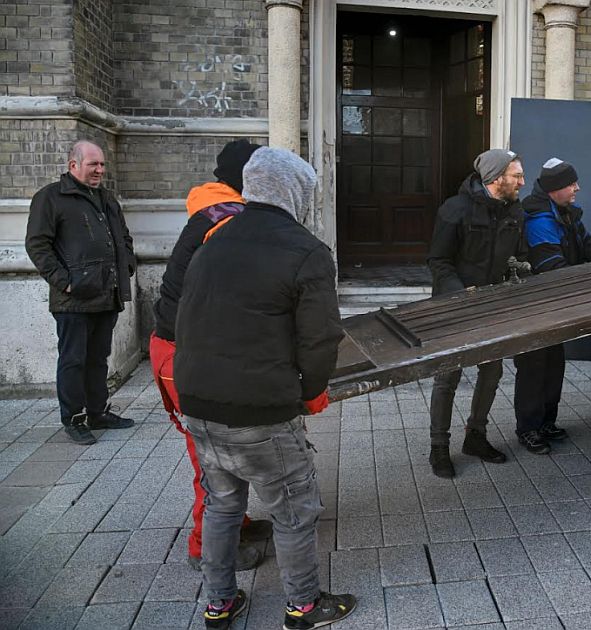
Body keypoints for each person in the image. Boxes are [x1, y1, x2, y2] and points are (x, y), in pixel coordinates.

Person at [174, 147, 356, 629]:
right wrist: (310, 392)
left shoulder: (213, 239)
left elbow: (184, 319)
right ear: (296, 192)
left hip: (197, 402)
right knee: (294, 510)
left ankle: (219, 603)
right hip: (261, 410)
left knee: (221, 504)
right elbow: (319, 338)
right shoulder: (307, 251)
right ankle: (302, 605)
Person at [149, 139, 271, 572]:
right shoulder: (229, 222)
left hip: (178, 351)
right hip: (186, 356)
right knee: (213, 458)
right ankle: (209, 547)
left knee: (218, 453)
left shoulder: (214, 207)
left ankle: (234, 523)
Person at [25, 140, 136, 445]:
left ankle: (97, 412)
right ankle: (74, 418)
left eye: (101, 165)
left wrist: (127, 264)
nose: (99, 170)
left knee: (98, 358)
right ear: (73, 165)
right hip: (73, 299)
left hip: (107, 292)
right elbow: (37, 245)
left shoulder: (106, 197)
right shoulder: (51, 197)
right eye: (93, 165)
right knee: (73, 359)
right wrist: (66, 282)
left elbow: (123, 237)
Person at [425, 149, 527, 478]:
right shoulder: (455, 209)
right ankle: (438, 446)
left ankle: (476, 436)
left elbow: (518, 255)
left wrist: (520, 272)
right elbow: (438, 261)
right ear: (496, 178)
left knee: (492, 371)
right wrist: (460, 292)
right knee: (447, 377)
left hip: (493, 304)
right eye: (517, 176)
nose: (522, 182)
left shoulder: (515, 211)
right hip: (456, 305)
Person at [514, 158, 591, 454]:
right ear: (556, 188)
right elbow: (550, 266)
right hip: (536, 305)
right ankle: (528, 428)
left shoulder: (567, 213)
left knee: (554, 364)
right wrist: (589, 282)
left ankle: (546, 422)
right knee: (533, 367)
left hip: (556, 307)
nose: (577, 188)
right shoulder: (538, 219)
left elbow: (586, 243)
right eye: (572, 184)